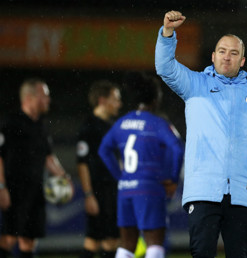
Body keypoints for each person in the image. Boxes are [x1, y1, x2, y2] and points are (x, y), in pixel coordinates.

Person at [155, 11, 247, 258]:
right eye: (222, 51)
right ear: (213, 57)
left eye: (234, 53)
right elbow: (165, 67)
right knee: (202, 253)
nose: (227, 57)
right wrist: (168, 34)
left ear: (242, 61)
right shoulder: (195, 84)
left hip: (244, 191)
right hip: (203, 190)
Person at [98, 72, 184, 258]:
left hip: (125, 189)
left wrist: (120, 176)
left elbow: (103, 150)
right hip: (149, 188)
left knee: (127, 244)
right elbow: (177, 148)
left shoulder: (121, 123)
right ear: (154, 99)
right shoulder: (157, 123)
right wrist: (173, 179)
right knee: (154, 243)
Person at [0, 78, 68, 258]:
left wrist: (63, 175)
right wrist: (1, 187)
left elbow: (48, 157)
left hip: (36, 190)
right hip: (13, 190)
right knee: (7, 239)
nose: (48, 100)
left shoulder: (41, 126)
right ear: (29, 98)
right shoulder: (10, 123)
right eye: (44, 95)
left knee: (29, 240)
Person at [76, 80, 122, 258]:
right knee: (98, 240)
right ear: (102, 101)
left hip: (112, 190)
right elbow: (82, 163)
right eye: (116, 99)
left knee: (106, 240)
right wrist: (88, 195)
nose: (119, 103)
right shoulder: (89, 127)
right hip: (99, 191)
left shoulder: (112, 126)